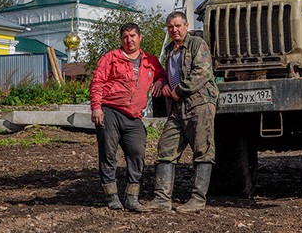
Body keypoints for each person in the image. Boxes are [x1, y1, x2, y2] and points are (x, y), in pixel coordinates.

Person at [144, 11, 219, 213]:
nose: (174, 30)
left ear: (186, 26)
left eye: (178, 26)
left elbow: (202, 72)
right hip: (176, 107)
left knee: (202, 150)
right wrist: (165, 83)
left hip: (199, 104)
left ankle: (198, 199)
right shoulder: (169, 50)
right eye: (170, 27)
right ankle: (161, 199)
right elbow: (168, 74)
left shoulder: (196, 44)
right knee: (165, 148)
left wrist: (178, 90)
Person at [90, 23, 166, 211]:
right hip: (110, 111)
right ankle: (111, 196)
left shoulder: (150, 60)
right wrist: (96, 107)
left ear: (140, 38)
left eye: (132, 36)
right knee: (108, 155)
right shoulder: (111, 58)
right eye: (125, 36)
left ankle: (132, 197)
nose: (129, 40)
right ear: (121, 39)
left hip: (134, 116)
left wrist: (160, 81)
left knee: (137, 154)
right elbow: (97, 82)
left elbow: (163, 75)